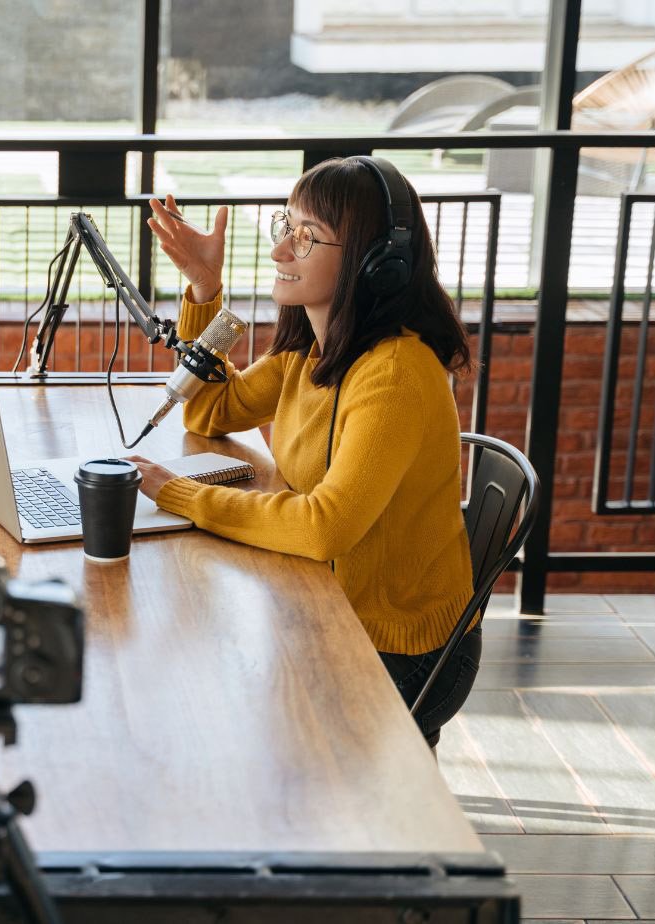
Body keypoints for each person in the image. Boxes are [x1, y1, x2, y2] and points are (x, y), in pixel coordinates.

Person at [132, 156, 476, 748]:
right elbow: (210, 410)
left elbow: (325, 528)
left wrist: (181, 495)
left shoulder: (392, 374)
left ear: (376, 264)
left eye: (307, 236)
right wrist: (204, 290)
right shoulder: (311, 352)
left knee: (217, 709)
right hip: (330, 605)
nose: (280, 252)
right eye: (285, 227)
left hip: (399, 649)